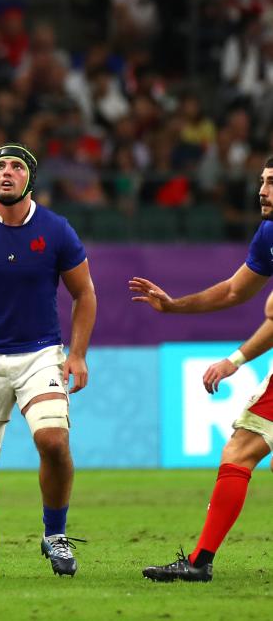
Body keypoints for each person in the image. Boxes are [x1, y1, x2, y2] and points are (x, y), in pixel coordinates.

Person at [0, 144, 97, 579]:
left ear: (31, 178)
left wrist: (78, 354)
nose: (6, 173)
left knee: (53, 442)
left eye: (16, 167)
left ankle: (55, 535)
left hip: (40, 354)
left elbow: (84, 294)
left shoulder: (56, 229)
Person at [132, 155, 273, 583]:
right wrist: (175, 306)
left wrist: (235, 359)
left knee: (240, 452)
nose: (262, 191)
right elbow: (234, 290)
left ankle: (199, 562)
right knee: (241, 451)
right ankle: (199, 561)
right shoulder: (269, 233)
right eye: (262, 181)